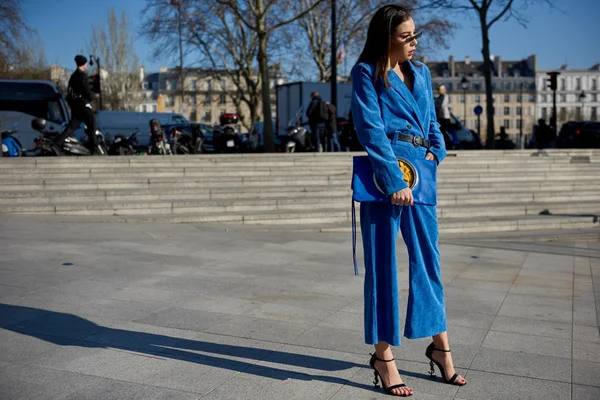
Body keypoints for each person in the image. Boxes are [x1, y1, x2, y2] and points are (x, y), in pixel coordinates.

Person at [350, 5, 466, 397]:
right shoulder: (366, 72)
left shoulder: (423, 73)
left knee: (429, 264)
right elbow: (370, 129)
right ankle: (383, 357)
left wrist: (437, 152)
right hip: (388, 178)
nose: (414, 42)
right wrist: (394, 178)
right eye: (406, 36)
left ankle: (440, 349)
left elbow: (433, 122)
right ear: (386, 37)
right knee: (384, 268)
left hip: (423, 175)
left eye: (415, 35)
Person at [56, 55, 99, 153]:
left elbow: (70, 90)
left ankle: (58, 142)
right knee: (92, 122)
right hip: (83, 103)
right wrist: (90, 98)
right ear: (84, 64)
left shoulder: (73, 75)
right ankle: (94, 147)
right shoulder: (83, 75)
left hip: (75, 104)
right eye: (86, 63)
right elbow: (86, 90)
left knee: (73, 125)